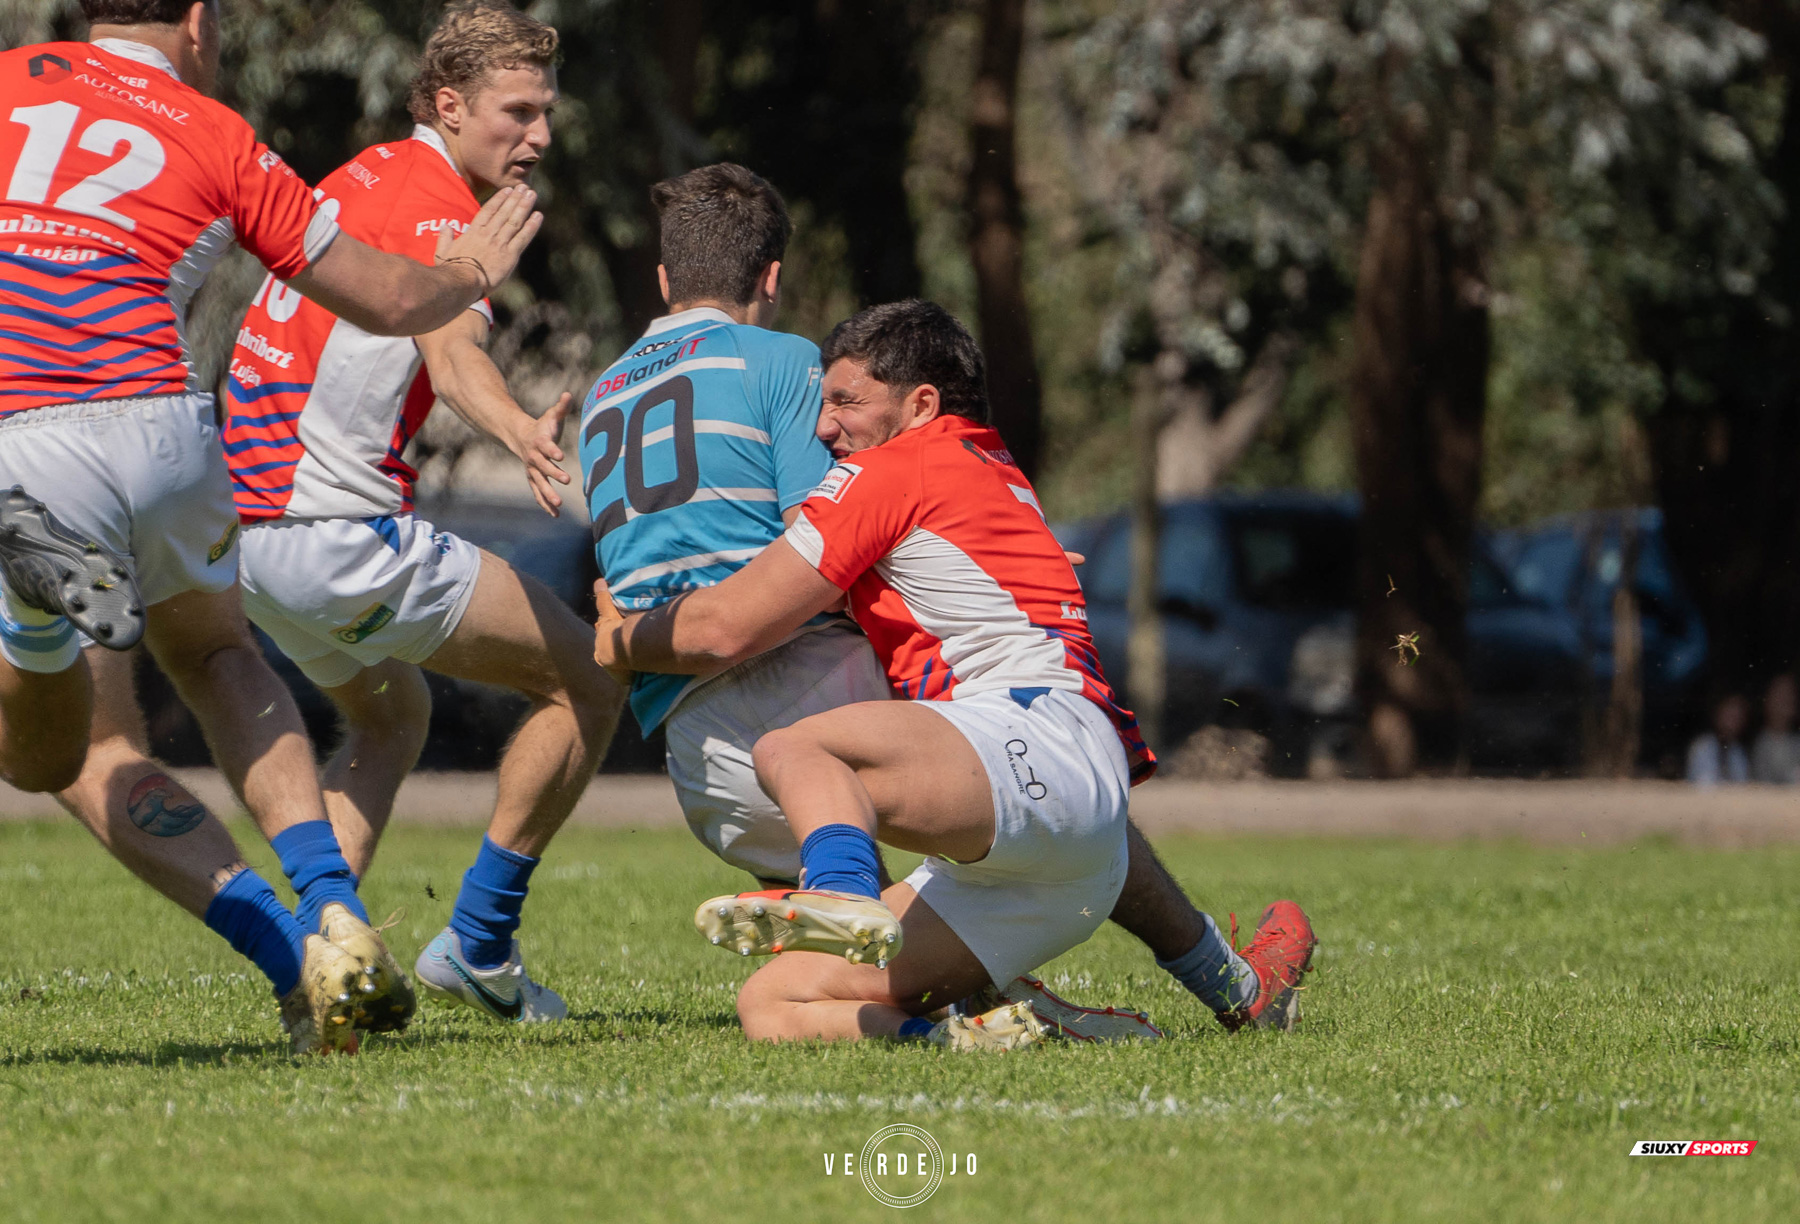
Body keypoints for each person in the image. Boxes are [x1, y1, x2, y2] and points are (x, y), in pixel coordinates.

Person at [0, 0, 541, 1054]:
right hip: (162, 425)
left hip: (23, 432)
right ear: (197, 22)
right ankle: (331, 914)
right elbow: (387, 298)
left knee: (61, 755)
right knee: (217, 656)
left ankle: (35, 607)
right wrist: (471, 271)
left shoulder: (9, 82)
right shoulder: (215, 133)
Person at [594, 299, 1317, 1046]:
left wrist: (618, 642)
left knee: (795, 749)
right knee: (772, 1004)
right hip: (1069, 824)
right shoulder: (978, 464)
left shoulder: (889, 471)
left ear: (920, 405)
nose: (824, 426)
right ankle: (974, 1038)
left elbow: (723, 627)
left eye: (846, 402)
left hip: (1035, 742)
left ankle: (842, 894)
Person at [214, 0, 621, 1022]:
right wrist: (519, 425)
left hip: (251, 542)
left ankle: (324, 967)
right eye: (517, 112)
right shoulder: (439, 205)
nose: (540, 136)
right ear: (449, 105)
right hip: (336, 535)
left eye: (547, 112)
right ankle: (477, 945)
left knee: (392, 714)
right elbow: (451, 347)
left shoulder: (367, 176)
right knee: (588, 681)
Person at [1687, 691, 1750, 787]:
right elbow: (1703, 785)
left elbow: (1743, 786)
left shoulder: (1738, 752)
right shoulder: (1702, 747)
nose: (1733, 722)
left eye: (1738, 716)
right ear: (1718, 713)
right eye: (1729, 715)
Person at [1751, 673, 1799, 785]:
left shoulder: (1797, 743)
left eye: (1790, 693)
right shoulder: (1756, 744)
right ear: (1767, 699)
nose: (1787, 699)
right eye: (1780, 694)